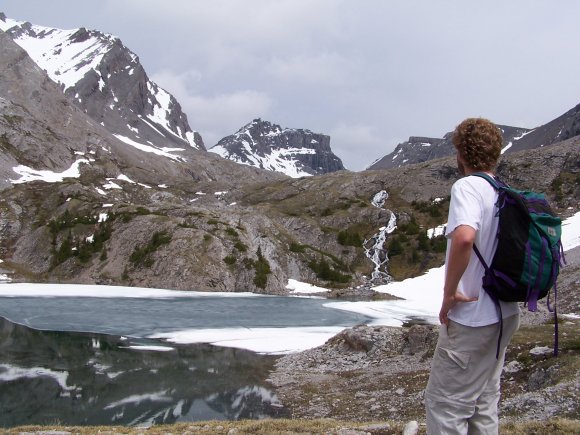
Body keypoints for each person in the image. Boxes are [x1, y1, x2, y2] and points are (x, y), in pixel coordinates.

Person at [424, 118, 520, 434]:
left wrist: (449, 293)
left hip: (473, 317)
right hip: (504, 313)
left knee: (445, 406)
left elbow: (465, 237)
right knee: (483, 402)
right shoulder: (503, 191)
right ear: (496, 153)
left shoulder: (467, 186)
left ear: (461, 155)